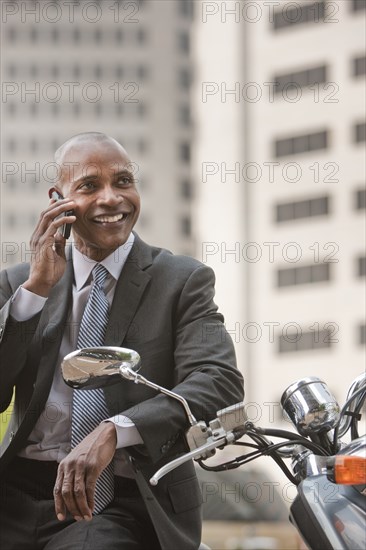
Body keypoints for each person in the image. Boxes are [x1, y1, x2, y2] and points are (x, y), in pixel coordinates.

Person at [0, 132, 244, 550]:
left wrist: (115, 431)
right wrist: (37, 289)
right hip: (15, 493)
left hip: (116, 500)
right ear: (58, 198)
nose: (112, 198)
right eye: (90, 185)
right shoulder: (21, 283)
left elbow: (217, 382)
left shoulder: (182, 280)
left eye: (124, 181)